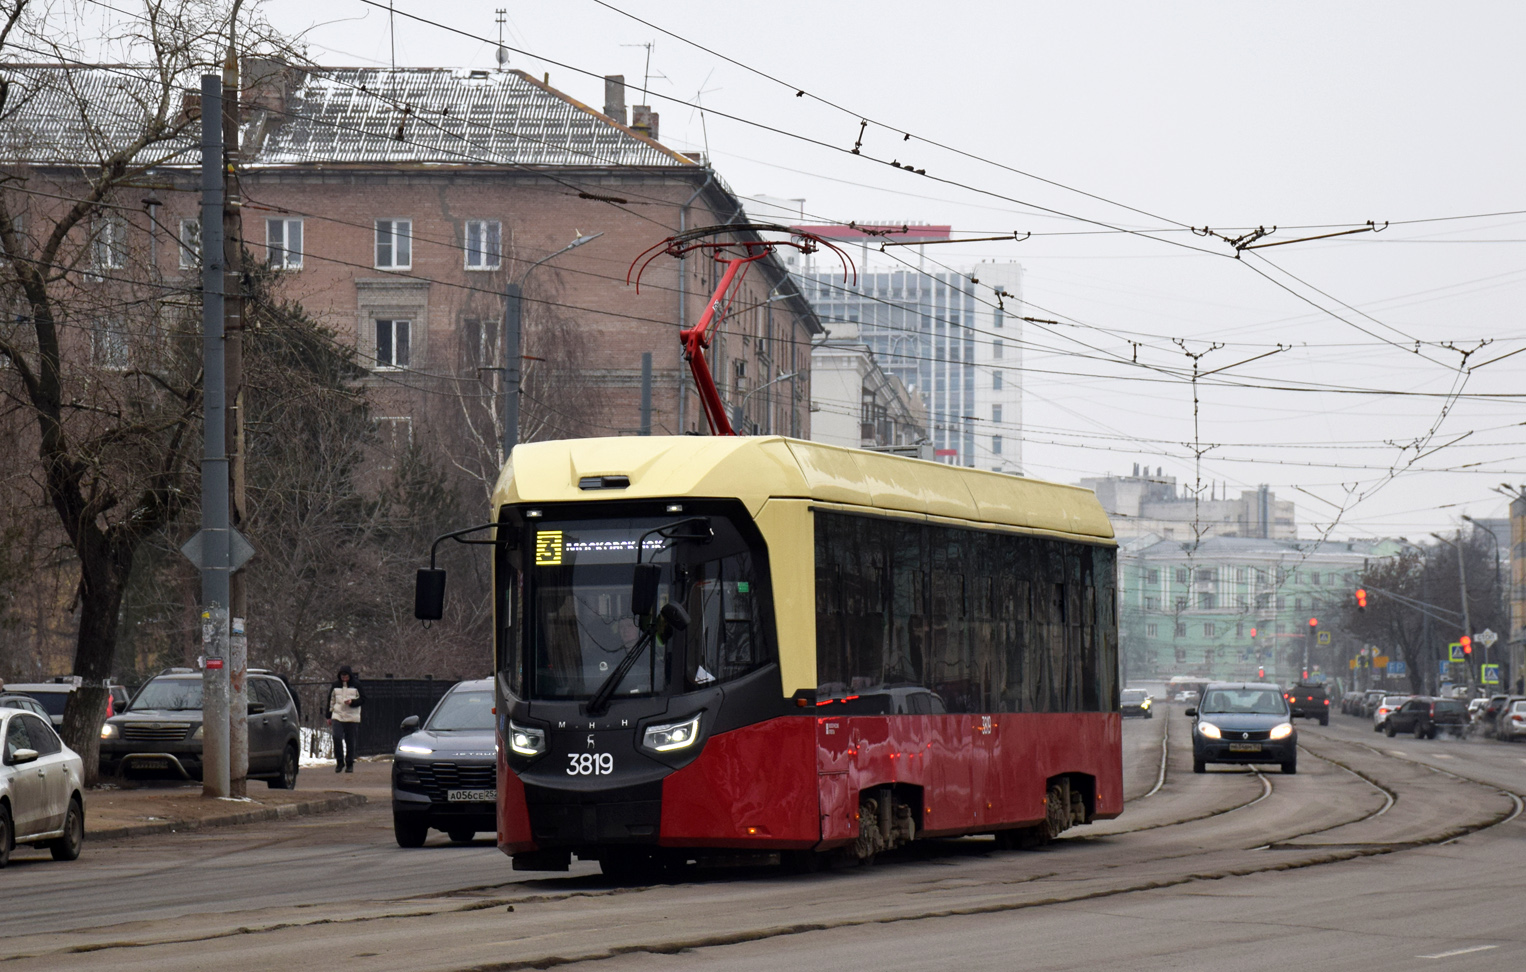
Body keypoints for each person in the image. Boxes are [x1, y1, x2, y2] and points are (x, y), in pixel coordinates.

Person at [326, 664, 364, 773]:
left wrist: (353, 702)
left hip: (352, 716)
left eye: (346, 676)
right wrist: (329, 715)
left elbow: (363, 699)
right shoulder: (335, 685)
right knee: (336, 737)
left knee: (350, 740)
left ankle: (349, 763)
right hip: (337, 715)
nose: (344, 678)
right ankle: (339, 761)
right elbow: (331, 700)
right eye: (342, 676)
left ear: (350, 676)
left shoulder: (356, 685)